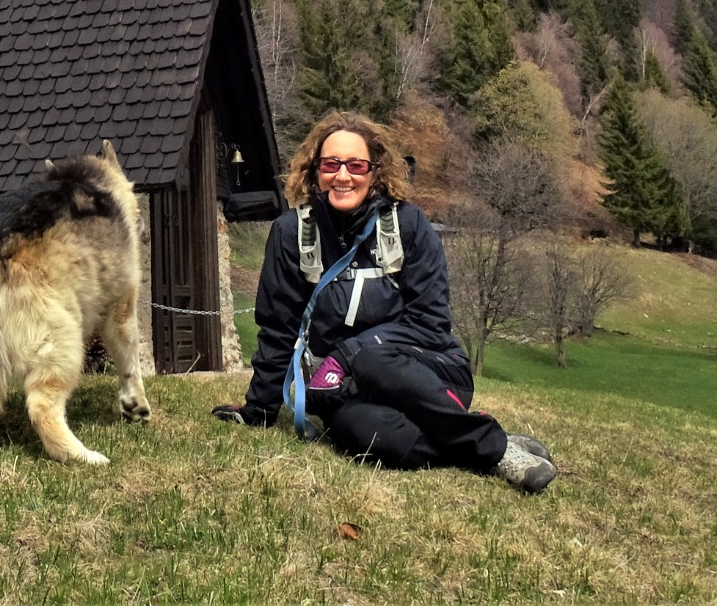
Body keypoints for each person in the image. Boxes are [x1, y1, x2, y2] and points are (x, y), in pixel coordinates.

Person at [212, 111, 556, 492]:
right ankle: (487, 441)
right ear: (315, 171)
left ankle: (497, 451)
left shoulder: (408, 225)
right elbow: (279, 326)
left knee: (373, 358)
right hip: (345, 389)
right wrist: (259, 409)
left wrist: (345, 355)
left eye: (356, 165)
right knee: (359, 433)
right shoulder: (291, 232)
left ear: (375, 172)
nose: (343, 176)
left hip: (431, 375)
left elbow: (430, 323)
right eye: (331, 164)